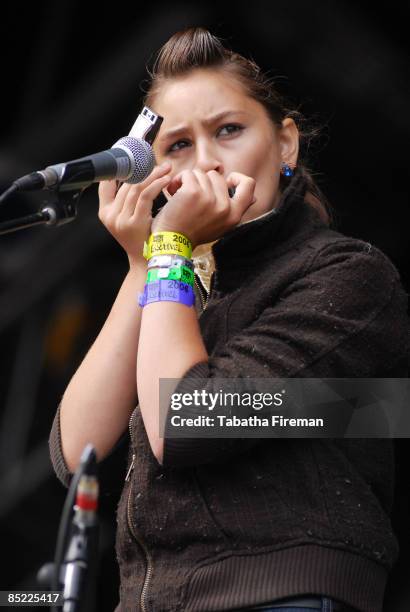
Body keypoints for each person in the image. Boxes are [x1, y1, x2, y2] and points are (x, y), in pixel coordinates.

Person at [49, 27, 409, 612]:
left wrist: (169, 249)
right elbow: (77, 451)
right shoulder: (180, 281)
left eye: (229, 130)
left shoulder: (350, 274)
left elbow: (186, 423)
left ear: (285, 144)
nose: (208, 162)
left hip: (284, 595)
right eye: (177, 147)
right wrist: (145, 262)